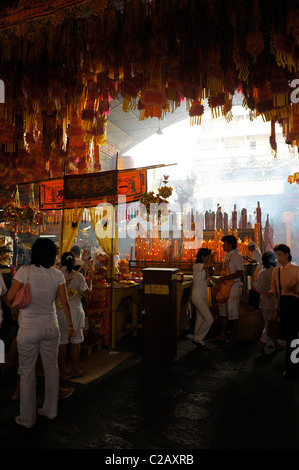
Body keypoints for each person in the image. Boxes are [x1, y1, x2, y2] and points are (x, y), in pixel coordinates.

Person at [7, 238, 76, 428]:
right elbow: (65, 301)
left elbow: (11, 297)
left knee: (27, 372)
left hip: (28, 328)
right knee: (52, 368)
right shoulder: (57, 275)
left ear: (34, 253)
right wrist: (70, 324)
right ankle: (50, 411)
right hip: (52, 327)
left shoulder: (24, 271)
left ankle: (28, 419)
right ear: (53, 256)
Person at [58, 251, 91, 379]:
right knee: (75, 341)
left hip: (60, 311)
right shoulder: (79, 276)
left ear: (62, 261)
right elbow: (87, 297)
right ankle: (74, 370)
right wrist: (90, 284)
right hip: (75, 311)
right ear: (73, 262)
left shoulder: (57, 274)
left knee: (62, 342)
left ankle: (61, 371)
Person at [268, 244, 299, 379]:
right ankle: (291, 365)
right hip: (281, 306)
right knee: (288, 337)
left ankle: (292, 367)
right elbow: (273, 287)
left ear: (287, 254)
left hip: (294, 307)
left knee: (293, 338)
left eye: (279, 254)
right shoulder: (276, 271)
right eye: (276, 255)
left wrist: (294, 290)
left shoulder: (296, 270)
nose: (277, 257)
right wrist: (271, 292)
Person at [212, 235, 244, 345]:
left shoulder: (237, 256)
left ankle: (233, 337)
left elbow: (240, 272)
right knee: (223, 313)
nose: (222, 245)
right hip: (225, 286)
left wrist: (224, 278)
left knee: (233, 314)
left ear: (230, 244)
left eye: (224, 243)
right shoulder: (226, 255)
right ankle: (222, 334)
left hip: (234, 287)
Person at [255, 251, 284, 355]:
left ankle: (277, 345)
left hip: (263, 303)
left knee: (270, 324)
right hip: (274, 303)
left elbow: (258, 289)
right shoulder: (278, 272)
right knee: (269, 326)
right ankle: (261, 346)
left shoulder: (261, 273)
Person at [191, 248, 216, 351]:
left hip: (202, 296)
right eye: (207, 256)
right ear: (202, 257)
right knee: (209, 319)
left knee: (200, 319)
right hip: (197, 296)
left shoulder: (202, 268)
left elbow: (205, 278)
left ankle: (198, 341)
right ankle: (197, 339)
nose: (208, 259)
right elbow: (212, 264)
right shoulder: (197, 266)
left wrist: (213, 279)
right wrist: (213, 257)